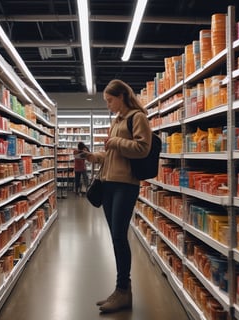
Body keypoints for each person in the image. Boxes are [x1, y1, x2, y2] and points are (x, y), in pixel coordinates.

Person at [84, 79, 152, 313]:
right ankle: (121, 290)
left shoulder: (137, 117)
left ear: (122, 95)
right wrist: (94, 157)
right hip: (109, 183)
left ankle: (123, 290)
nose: (108, 105)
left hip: (126, 185)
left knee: (119, 237)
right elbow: (114, 154)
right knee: (115, 237)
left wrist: (115, 141)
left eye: (110, 100)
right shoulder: (117, 121)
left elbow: (143, 148)